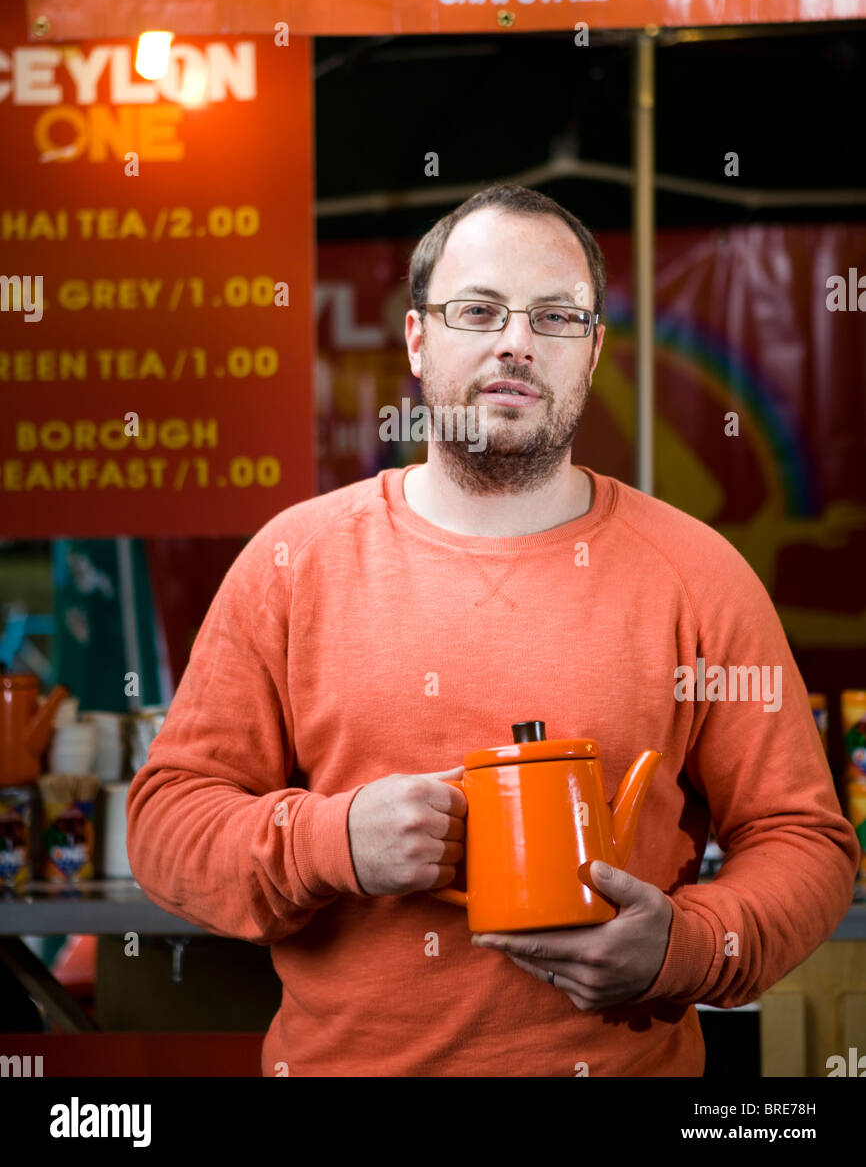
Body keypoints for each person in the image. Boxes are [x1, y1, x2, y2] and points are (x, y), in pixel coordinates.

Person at [126, 182, 859, 1077]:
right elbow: (165, 826)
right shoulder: (294, 560)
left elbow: (806, 842)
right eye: (478, 310)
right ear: (417, 338)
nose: (516, 340)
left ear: (591, 352)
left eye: (554, 317)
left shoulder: (701, 575)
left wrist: (688, 947)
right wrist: (331, 842)